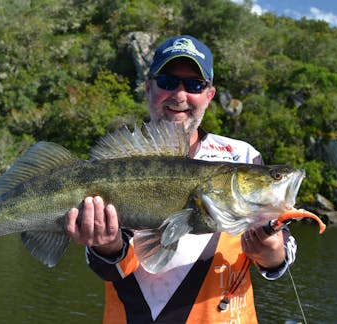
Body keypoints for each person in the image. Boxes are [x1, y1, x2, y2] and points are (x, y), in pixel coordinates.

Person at [65, 35, 297, 323]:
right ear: (148, 87)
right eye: (167, 82)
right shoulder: (119, 163)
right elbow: (112, 269)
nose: (180, 95)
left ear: (209, 95)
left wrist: (271, 252)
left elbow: (280, 254)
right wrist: (106, 246)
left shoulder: (243, 157)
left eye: (195, 85)